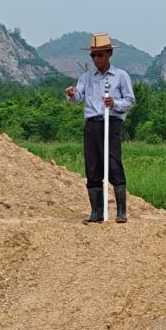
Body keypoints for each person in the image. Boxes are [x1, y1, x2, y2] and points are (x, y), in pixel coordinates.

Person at [65, 32, 135, 223]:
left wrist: (115, 103)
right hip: (92, 123)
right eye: (93, 55)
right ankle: (96, 212)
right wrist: (72, 94)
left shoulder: (121, 76)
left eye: (100, 54)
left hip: (111, 122)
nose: (96, 59)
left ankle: (121, 211)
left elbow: (130, 100)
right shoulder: (86, 77)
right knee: (93, 165)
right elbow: (78, 97)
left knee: (113, 163)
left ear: (109, 54)